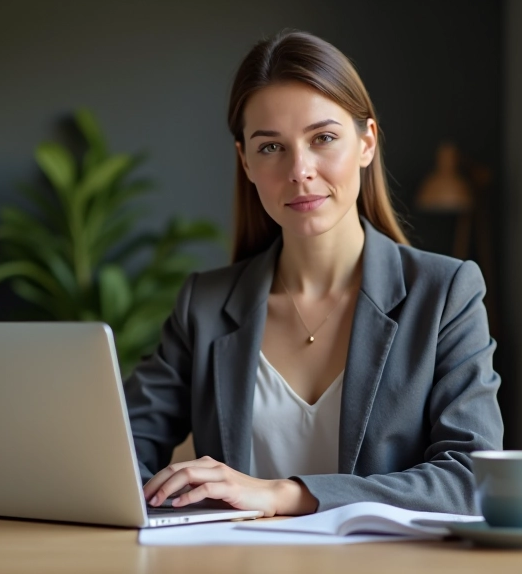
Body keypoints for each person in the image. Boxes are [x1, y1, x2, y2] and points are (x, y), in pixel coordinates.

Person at [124, 29, 502, 518]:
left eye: (323, 138)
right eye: (270, 147)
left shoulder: (446, 293)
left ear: (367, 142)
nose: (299, 170)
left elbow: (472, 476)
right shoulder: (205, 305)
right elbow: (121, 450)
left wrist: (285, 494)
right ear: (245, 161)